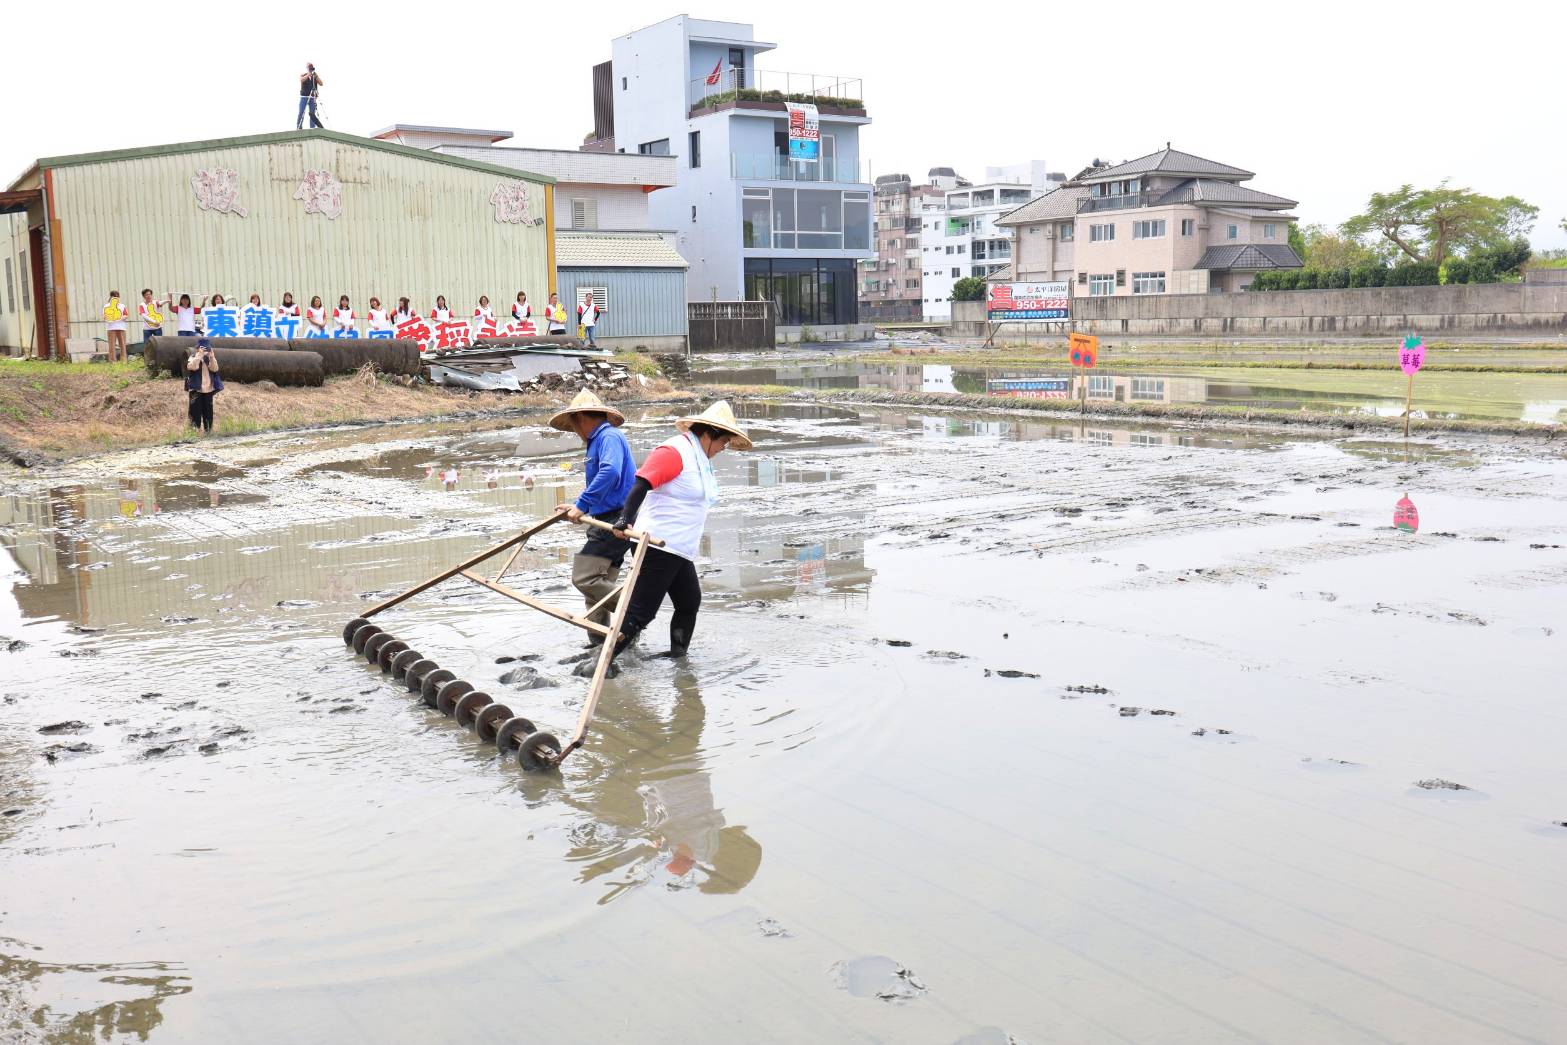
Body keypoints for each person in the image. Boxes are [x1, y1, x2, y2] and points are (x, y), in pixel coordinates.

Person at [609, 401, 752, 662]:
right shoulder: (675, 451)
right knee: (641, 611)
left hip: (679, 547)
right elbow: (642, 482)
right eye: (724, 442)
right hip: (657, 544)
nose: (724, 448)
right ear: (710, 433)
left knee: (689, 602)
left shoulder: (699, 459)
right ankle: (601, 662)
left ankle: (678, 658)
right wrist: (625, 519)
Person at [548, 390, 636, 642]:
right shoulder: (598, 441)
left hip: (614, 520)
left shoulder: (609, 436)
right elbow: (601, 480)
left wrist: (583, 504)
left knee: (584, 577)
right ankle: (604, 642)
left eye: (575, 424)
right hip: (604, 516)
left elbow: (609, 473)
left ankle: (634, 615)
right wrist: (577, 505)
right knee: (596, 588)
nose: (575, 430)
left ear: (581, 419)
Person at [184, 336, 223, 434]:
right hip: (195, 390)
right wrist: (199, 356)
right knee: (194, 412)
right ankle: (193, 432)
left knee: (208, 413)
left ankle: (208, 431)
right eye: (203, 348)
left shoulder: (209, 358)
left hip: (208, 390)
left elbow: (215, 369)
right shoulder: (193, 357)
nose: (205, 350)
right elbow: (192, 367)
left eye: (207, 348)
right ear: (198, 348)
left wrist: (212, 357)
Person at [103, 291, 129, 362]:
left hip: (121, 327)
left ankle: (123, 360)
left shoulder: (122, 306)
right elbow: (105, 316)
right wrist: (109, 319)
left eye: (117, 296)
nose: (115, 297)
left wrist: (123, 317)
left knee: (123, 344)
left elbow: (126, 315)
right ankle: (112, 360)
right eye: (114, 296)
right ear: (111, 297)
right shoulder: (106, 306)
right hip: (111, 327)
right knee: (112, 345)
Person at [297, 63, 324, 130]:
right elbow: (301, 80)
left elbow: (321, 83)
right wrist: (308, 75)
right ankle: (299, 127)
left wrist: (316, 76)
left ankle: (312, 128)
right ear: (307, 69)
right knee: (301, 112)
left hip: (312, 97)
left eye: (312, 69)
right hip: (304, 97)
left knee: (312, 114)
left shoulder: (314, 76)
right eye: (309, 69)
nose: (311, 70)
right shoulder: (303, 75)